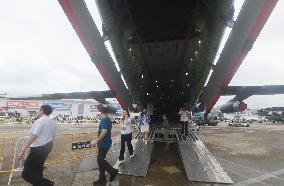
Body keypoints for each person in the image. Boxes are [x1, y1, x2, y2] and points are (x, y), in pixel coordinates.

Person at [18, 105, 57, 186]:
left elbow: (33, 136)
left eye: (38, 110)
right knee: (37, 169)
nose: (37, 112)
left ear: (42, 111)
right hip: (47, 146)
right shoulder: (52, 121)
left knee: (26, 174)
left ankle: (48, 184)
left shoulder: (40, 121)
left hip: (38, 149)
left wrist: (22, 150)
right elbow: (53, 135)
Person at [92, 105, 118, 185]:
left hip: (104, 144)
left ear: (101, 112)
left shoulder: (105, 120)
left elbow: (104, 132)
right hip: (104, 143)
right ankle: (102, 179)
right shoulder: (107, 119)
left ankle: (113, 172)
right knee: (100, 161)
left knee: (100, 160)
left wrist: (95, 141)